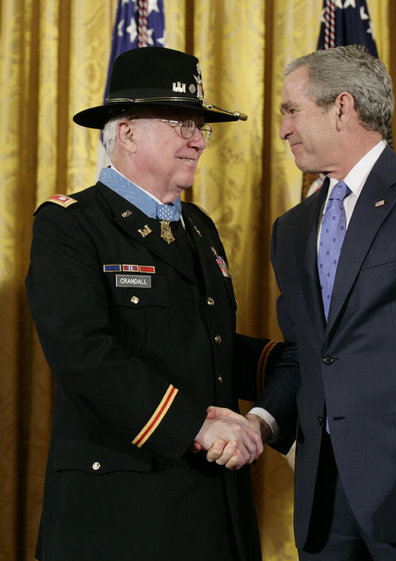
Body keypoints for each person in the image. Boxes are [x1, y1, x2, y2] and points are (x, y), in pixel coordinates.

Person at [207, 45, 396, 560]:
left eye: (291, 110)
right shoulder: (293, 228)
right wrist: (261, 420)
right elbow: (308, 355)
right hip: (326, 504)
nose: (283, 129)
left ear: (342, 107)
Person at [25, 46, 282, 561]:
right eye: (179, 123)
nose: (196, 140)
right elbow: (84, 355)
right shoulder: (70, 225)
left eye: (200, 127)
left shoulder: (200, 228)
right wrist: (196, 425)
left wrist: (291, 364)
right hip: (122, 508)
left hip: (214, 504)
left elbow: (203, 343)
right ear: (127, 132)